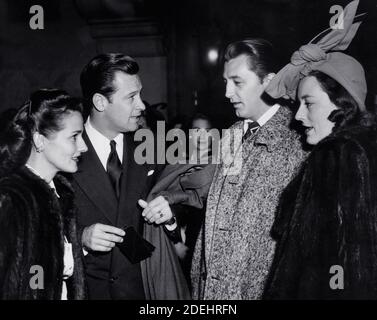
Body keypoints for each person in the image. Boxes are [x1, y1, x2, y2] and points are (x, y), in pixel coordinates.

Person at [263, 0, 377, 299]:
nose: (298, 116)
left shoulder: (338, 154)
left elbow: (347, 266)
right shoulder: (360, 149)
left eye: (309, 103)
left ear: (342, 102)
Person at [191, 39, 307, 299]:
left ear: (269, 80)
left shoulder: (298, 143)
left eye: (238, 82)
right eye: (225, 82)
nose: (227, 93)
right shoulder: (232, 135)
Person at [71, 53, 189, 299]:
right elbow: (39, 230)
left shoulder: (152, 149)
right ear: (101, 102)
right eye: (131, 97)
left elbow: (180, 210)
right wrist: (80, 238)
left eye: (140, 94)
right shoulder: (66, 153)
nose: (142, 106)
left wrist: (170, 218)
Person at [0, 89, 88, 299]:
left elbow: (37, 274)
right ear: (39, 140)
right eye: (74, 137)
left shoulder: (60, 194)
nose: (83, 147)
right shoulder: (11, 199)